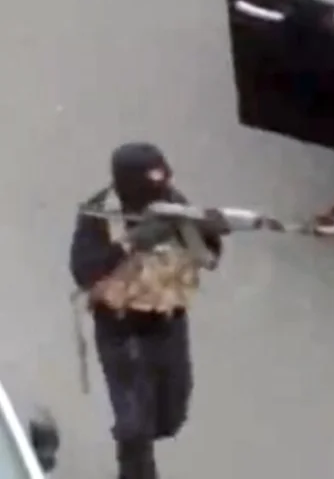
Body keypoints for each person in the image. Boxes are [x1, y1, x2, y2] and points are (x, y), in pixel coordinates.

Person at [69, 143, 224, 479]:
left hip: (168, 323)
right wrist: (129, 243)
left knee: (169, 418)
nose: (162, 191)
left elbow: (209, 257)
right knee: (135, 427)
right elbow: (84, 271)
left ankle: (135, 436)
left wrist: (209, 232)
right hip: (120, 329)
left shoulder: (173, 205)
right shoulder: (99, 215)